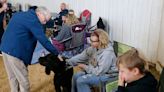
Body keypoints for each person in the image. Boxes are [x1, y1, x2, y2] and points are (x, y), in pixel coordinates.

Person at [0, 7, 62, 92]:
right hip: (14, 52)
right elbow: (43, 40)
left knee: (12, 77)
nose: (45, 23)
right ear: (39, 14)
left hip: (4, 48)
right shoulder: (33, 20)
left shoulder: (21, 14)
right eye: (45, 20)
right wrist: (56, 53)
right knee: (24, 81)